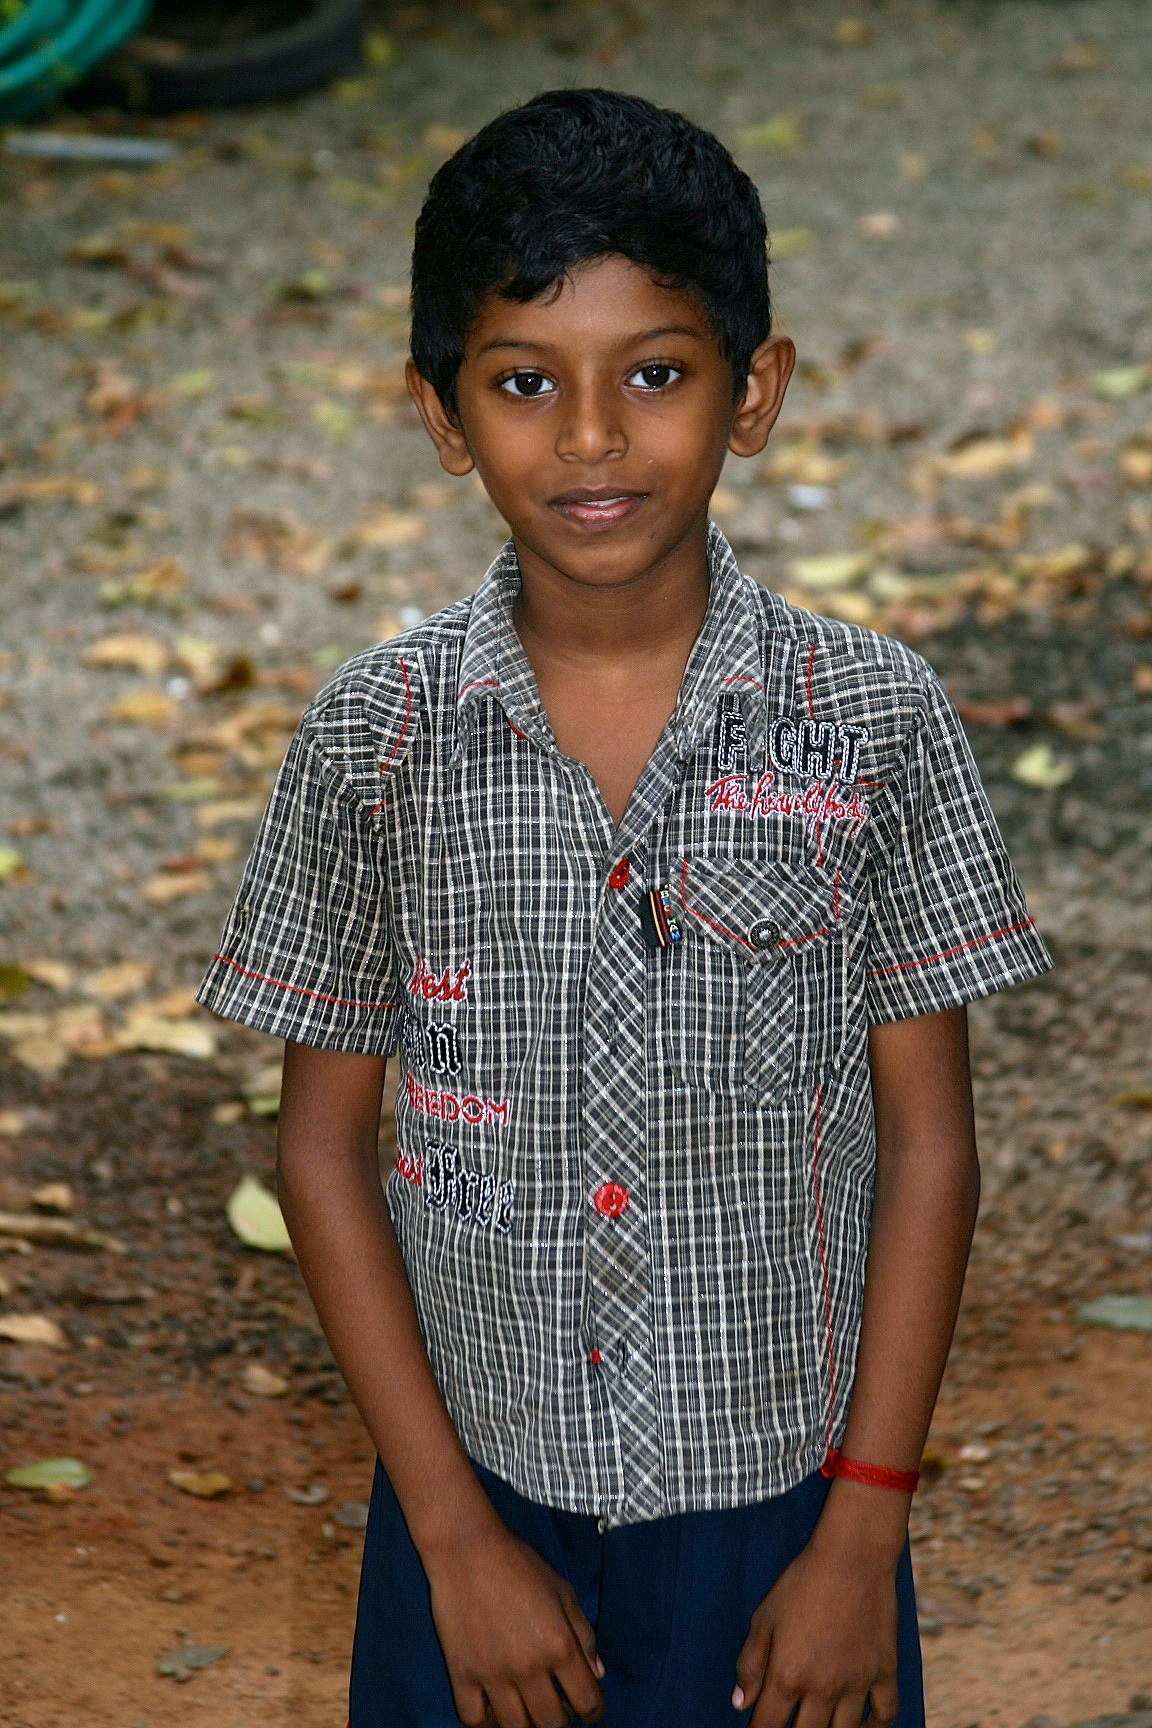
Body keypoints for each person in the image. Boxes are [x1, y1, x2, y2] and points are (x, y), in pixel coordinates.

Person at [197, 88, 1052, 1728]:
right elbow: (320, 1148)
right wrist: (450, 1539)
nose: (591, 439)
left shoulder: (870, 720)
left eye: (654, 374)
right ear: (444, 416)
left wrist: (863, 1528)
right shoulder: (374, 739)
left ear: (758, 390)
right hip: (475, 1508)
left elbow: (927, 1140)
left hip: (784, 1517)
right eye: (525, 384)